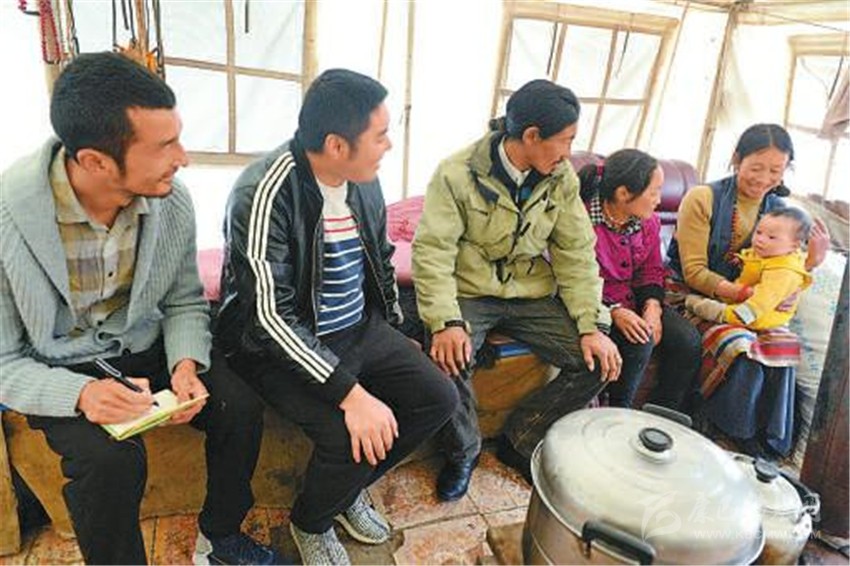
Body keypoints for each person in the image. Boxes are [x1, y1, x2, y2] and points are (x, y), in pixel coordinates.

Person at [0, 52, 279, 565]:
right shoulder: (6, 221)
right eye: (165, 146)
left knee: (237, 407)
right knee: (110, 462)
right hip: (60, 367)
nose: (184, 158)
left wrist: (185, 363)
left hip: (144, 344)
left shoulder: (172, 201)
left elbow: (183, 299)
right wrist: (81, 394)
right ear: (95, 162)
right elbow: (3, 361)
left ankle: (221, 536)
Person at [216, 69, 458, 565]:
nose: (389, 145)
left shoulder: (363, 182)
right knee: (348, 436)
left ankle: (343, 493)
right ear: (336, 145)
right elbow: (269, 316)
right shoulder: (263, 191)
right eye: (380, 135)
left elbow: (381, 261)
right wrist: (351, 393)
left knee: (437, 398)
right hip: (276, 346)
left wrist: (396, 330)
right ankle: (311, 521)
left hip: (357, 327)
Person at [412, 79, 621, 496]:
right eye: (566, 140)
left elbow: (576, 253)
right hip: (470, 292)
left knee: (597, 360)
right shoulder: (456, 173)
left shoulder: (561, 178)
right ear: (531, 136)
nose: (569, 152)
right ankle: (464, 451)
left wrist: (591, 325)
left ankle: (521, 438)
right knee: (447, 358)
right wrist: (445, 321)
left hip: (529, 293)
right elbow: (432, 251)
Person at [666, 123, 829, 458]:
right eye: (756, 168)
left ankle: (767, 437)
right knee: (741, 344)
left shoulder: (780, 211)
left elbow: (784, 270)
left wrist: (811, 262)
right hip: (690, 295)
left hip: (750, 303)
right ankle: (721, 428)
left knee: (785, 344)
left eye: (775, 171)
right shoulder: (703, 198)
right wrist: (741, 295)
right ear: (737, 159)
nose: (764, 178)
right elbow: (694, 272)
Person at [577, 149, 701, 410]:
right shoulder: (581, 220)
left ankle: (660, 413)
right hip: (594, 303)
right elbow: (575, 278)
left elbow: (651, 270)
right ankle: (617, 412)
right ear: (624, 194)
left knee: (687, 339)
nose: (659, 200)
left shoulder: (649, 222)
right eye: (653, 192)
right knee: (639, 339)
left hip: (635, 300)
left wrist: (652, 307)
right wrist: (614, 311)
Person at [685, 208, 813, 329]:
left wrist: (734, 314)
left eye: (771, 237)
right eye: (758, 232)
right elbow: (753, 257)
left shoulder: (784, 271)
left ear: (794, 245)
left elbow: (762, 301)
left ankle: (720, 313)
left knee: (724, 313)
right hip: (742, 297)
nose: (760, 240)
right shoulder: (772, 252)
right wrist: (741, 259)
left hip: (764, 311)